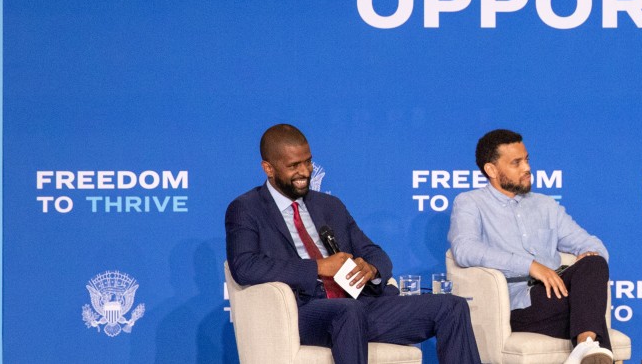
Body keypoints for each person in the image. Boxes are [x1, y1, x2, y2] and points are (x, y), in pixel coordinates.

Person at [225, 124, 481, 364]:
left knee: (451, 306)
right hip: (302, 312)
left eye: (308, 162)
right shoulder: (247, 209)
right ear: (268, 168)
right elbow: (245, 266)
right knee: (347, 311)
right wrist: (318, 267)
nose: (304, 172)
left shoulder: (329, 206)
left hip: (359, 304)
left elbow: (374, 252)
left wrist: (371, 269)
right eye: (294, 166)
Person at [448, 129, 616, 364]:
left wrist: (591, 253)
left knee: (595, 262)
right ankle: (589, 345)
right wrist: (529, 266)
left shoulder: (546, 205)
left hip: (557, 294)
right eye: (516, 163)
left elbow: (590, 243)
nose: (526, 168)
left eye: (526, 160)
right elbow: (465, 250)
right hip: (517, 304)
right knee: (589, 310)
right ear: (491, 170)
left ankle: (586, 345)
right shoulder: (470, 203)